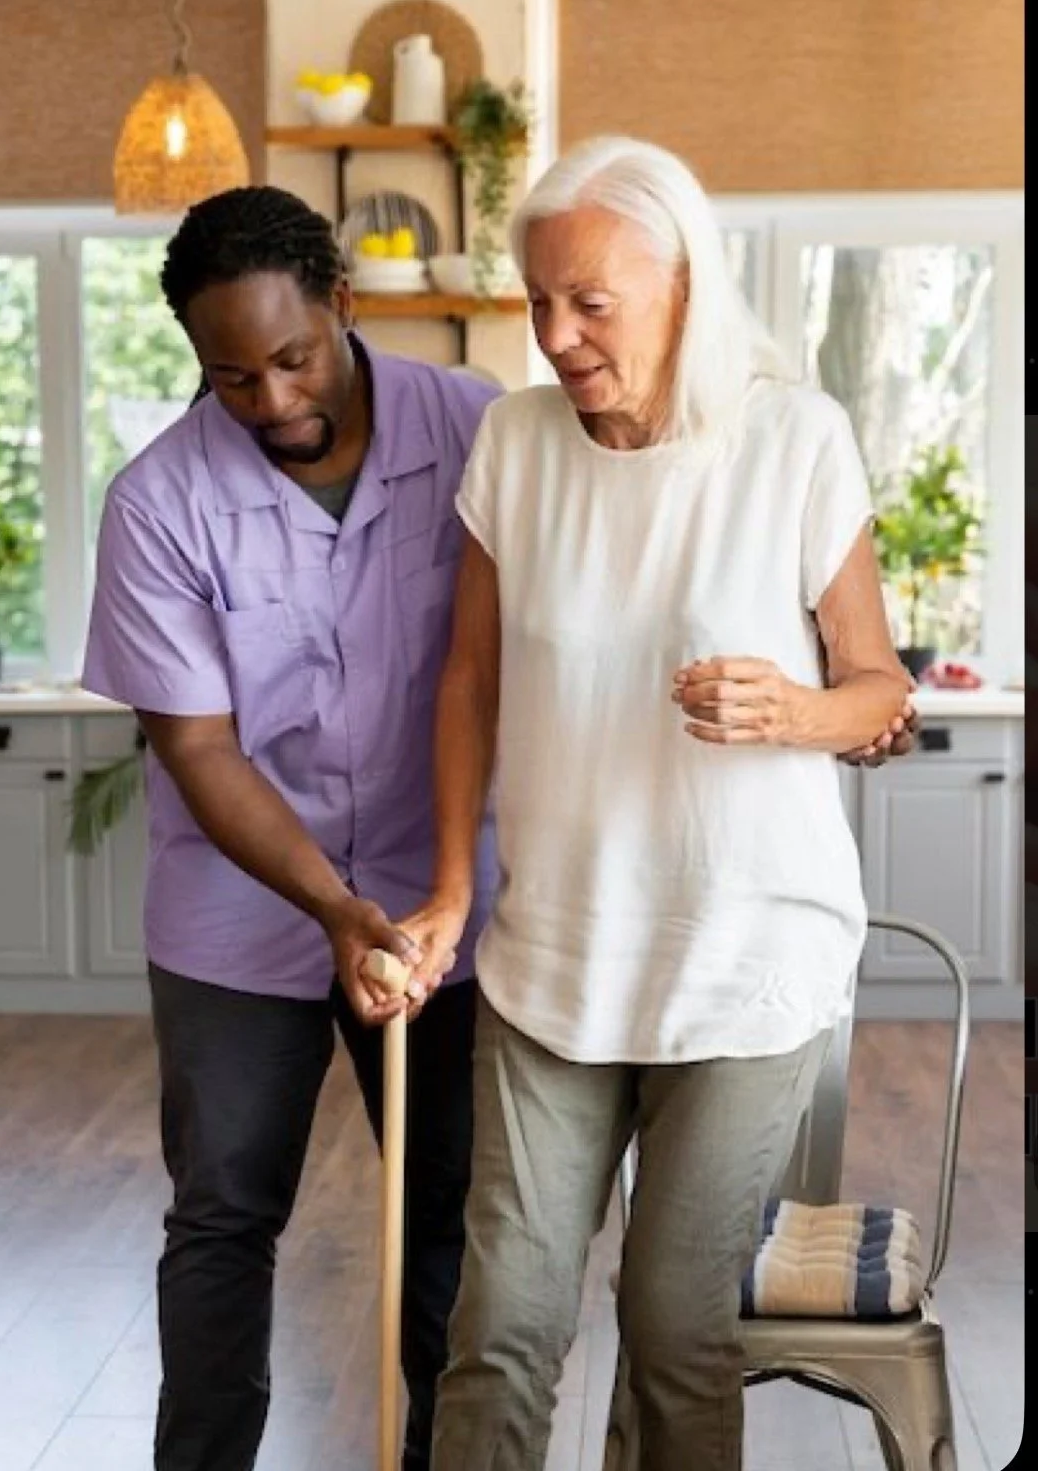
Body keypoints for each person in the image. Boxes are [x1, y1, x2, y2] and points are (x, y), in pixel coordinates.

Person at [397, 136, 913, 1471]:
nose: (558, 334)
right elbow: (468, 681)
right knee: (499, 1321)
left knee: (675, 1324)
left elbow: (875, 689)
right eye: (540, 301)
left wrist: (789, 710)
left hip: (744, 960)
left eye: (592, 302)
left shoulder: (795, 437)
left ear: (682, 282)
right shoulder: (516, 444)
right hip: (555, 957)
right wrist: (455, 884)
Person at [80, 185, 502, 1471]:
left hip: (447, 908)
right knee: (223, 1216)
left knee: (451, 1221)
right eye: (230, 374)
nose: (268, 400)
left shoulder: (484, 431)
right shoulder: (157, 501)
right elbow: (199, 746)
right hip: (239, 914)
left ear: (345, 307)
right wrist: (330, 906)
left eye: (292, 358)